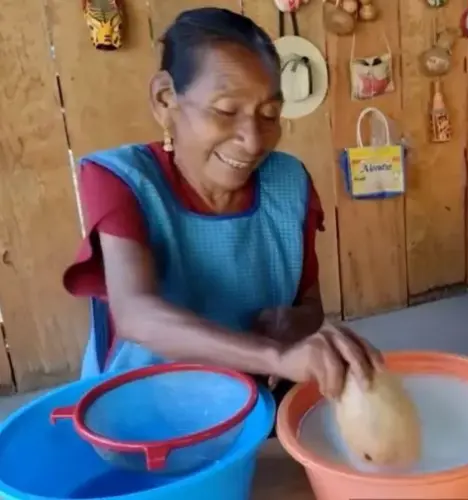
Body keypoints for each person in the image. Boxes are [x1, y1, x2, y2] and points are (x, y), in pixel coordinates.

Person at [62, 7, 381, 403]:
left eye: (269, 114)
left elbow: (310, 304)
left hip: (256, 398)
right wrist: (276, 355)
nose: (252, 139)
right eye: (226, 111)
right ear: (165, 100)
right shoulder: (123, 179)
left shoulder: (288, 183)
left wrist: (294, 322)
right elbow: (135, 314)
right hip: (143, 409)